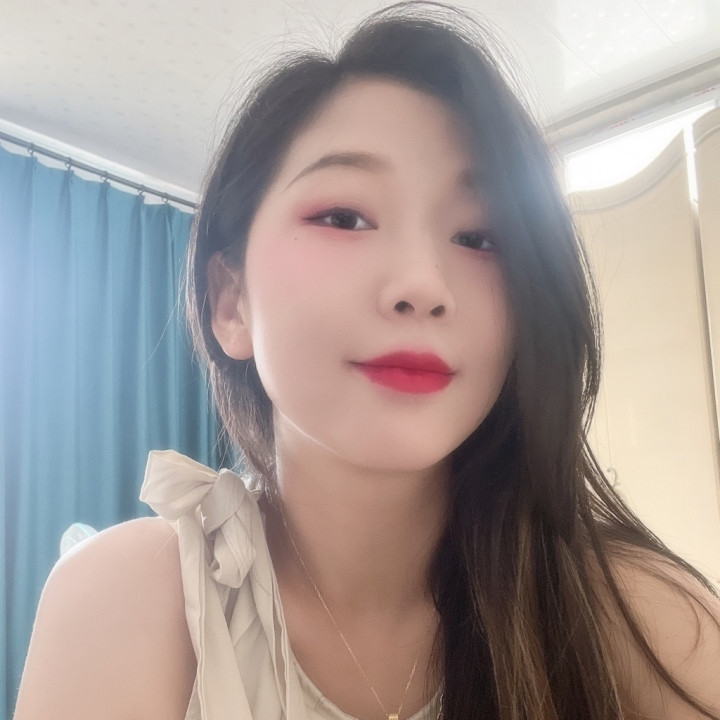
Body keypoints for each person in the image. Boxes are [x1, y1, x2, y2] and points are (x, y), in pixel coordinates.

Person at [14, 3, 720, 719]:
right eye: (344, 218)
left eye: (481, 237)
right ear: (230, 301)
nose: (422, 284)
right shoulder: (130, 602)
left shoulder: (647, 623)